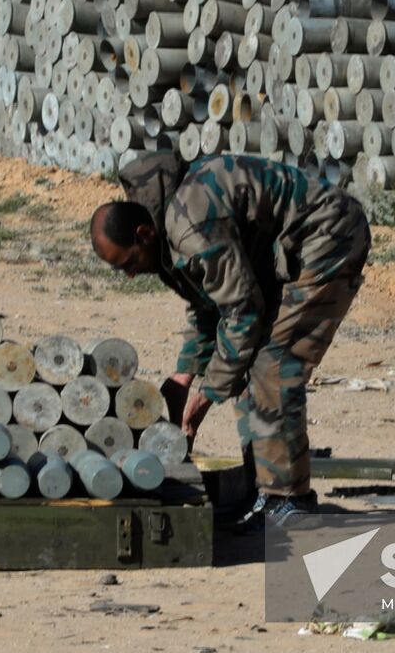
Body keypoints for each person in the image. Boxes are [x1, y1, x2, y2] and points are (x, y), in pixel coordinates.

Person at [89, 151, 370, 527]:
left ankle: (290, 502)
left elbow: (242, 314)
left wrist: (205, 396)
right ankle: (264, 489)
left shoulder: (190, 224)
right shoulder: (164, 230)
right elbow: (207, 304)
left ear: (143, 234)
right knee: (244, 363)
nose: (129, 276)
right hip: (288, 249)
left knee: (274, 365)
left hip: (326, 237)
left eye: (127, 264)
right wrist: (185, 375)